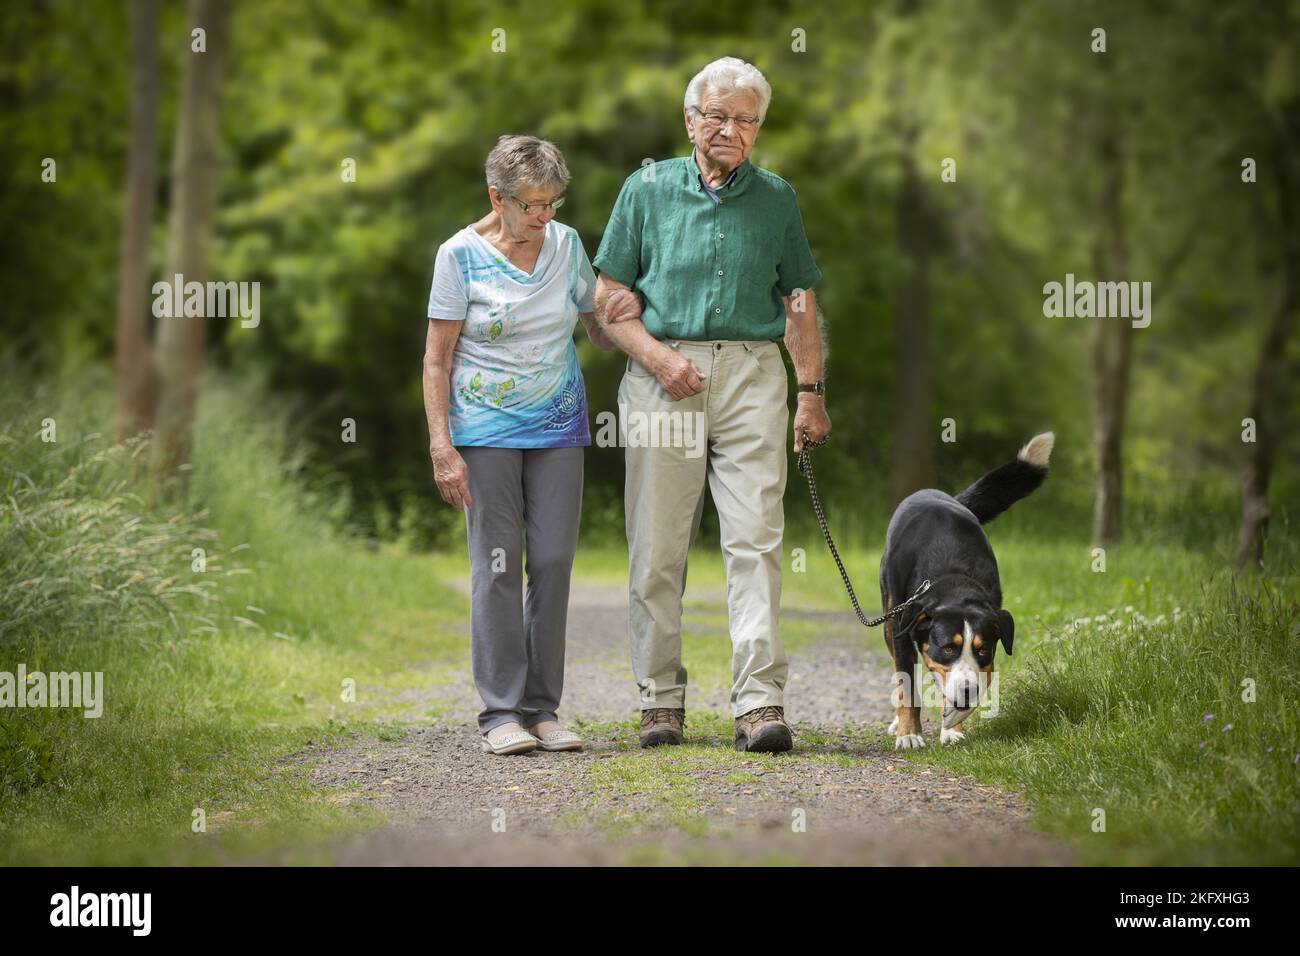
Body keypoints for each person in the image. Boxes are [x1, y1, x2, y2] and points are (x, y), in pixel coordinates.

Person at [592, 56, 831, 752]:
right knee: (657, 545)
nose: (732, 129)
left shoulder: (778, 197)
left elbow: (800, 302)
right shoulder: (646, 189)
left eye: (747, 120)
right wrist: (661, 358)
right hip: (663, 371)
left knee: (755, 539)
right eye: (719, 115)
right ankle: (659, 700)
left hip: (756, 375)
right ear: (690, 119)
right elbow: (609, 303)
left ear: (758, 130)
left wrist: (810, 392)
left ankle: (759, 703)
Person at [423, 134, 624, 755]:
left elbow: (595, 324)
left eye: (553, 204)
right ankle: (501, 712)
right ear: (498, 198)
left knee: (556, 560)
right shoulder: (458, 256)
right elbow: (436, 359)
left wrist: (625, 318)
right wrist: (441, 445)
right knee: (498, 566)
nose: (544, 218)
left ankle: (543, 708)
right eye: (533, 205)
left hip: (559, 424)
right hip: (483, 430)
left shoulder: (565, 245)